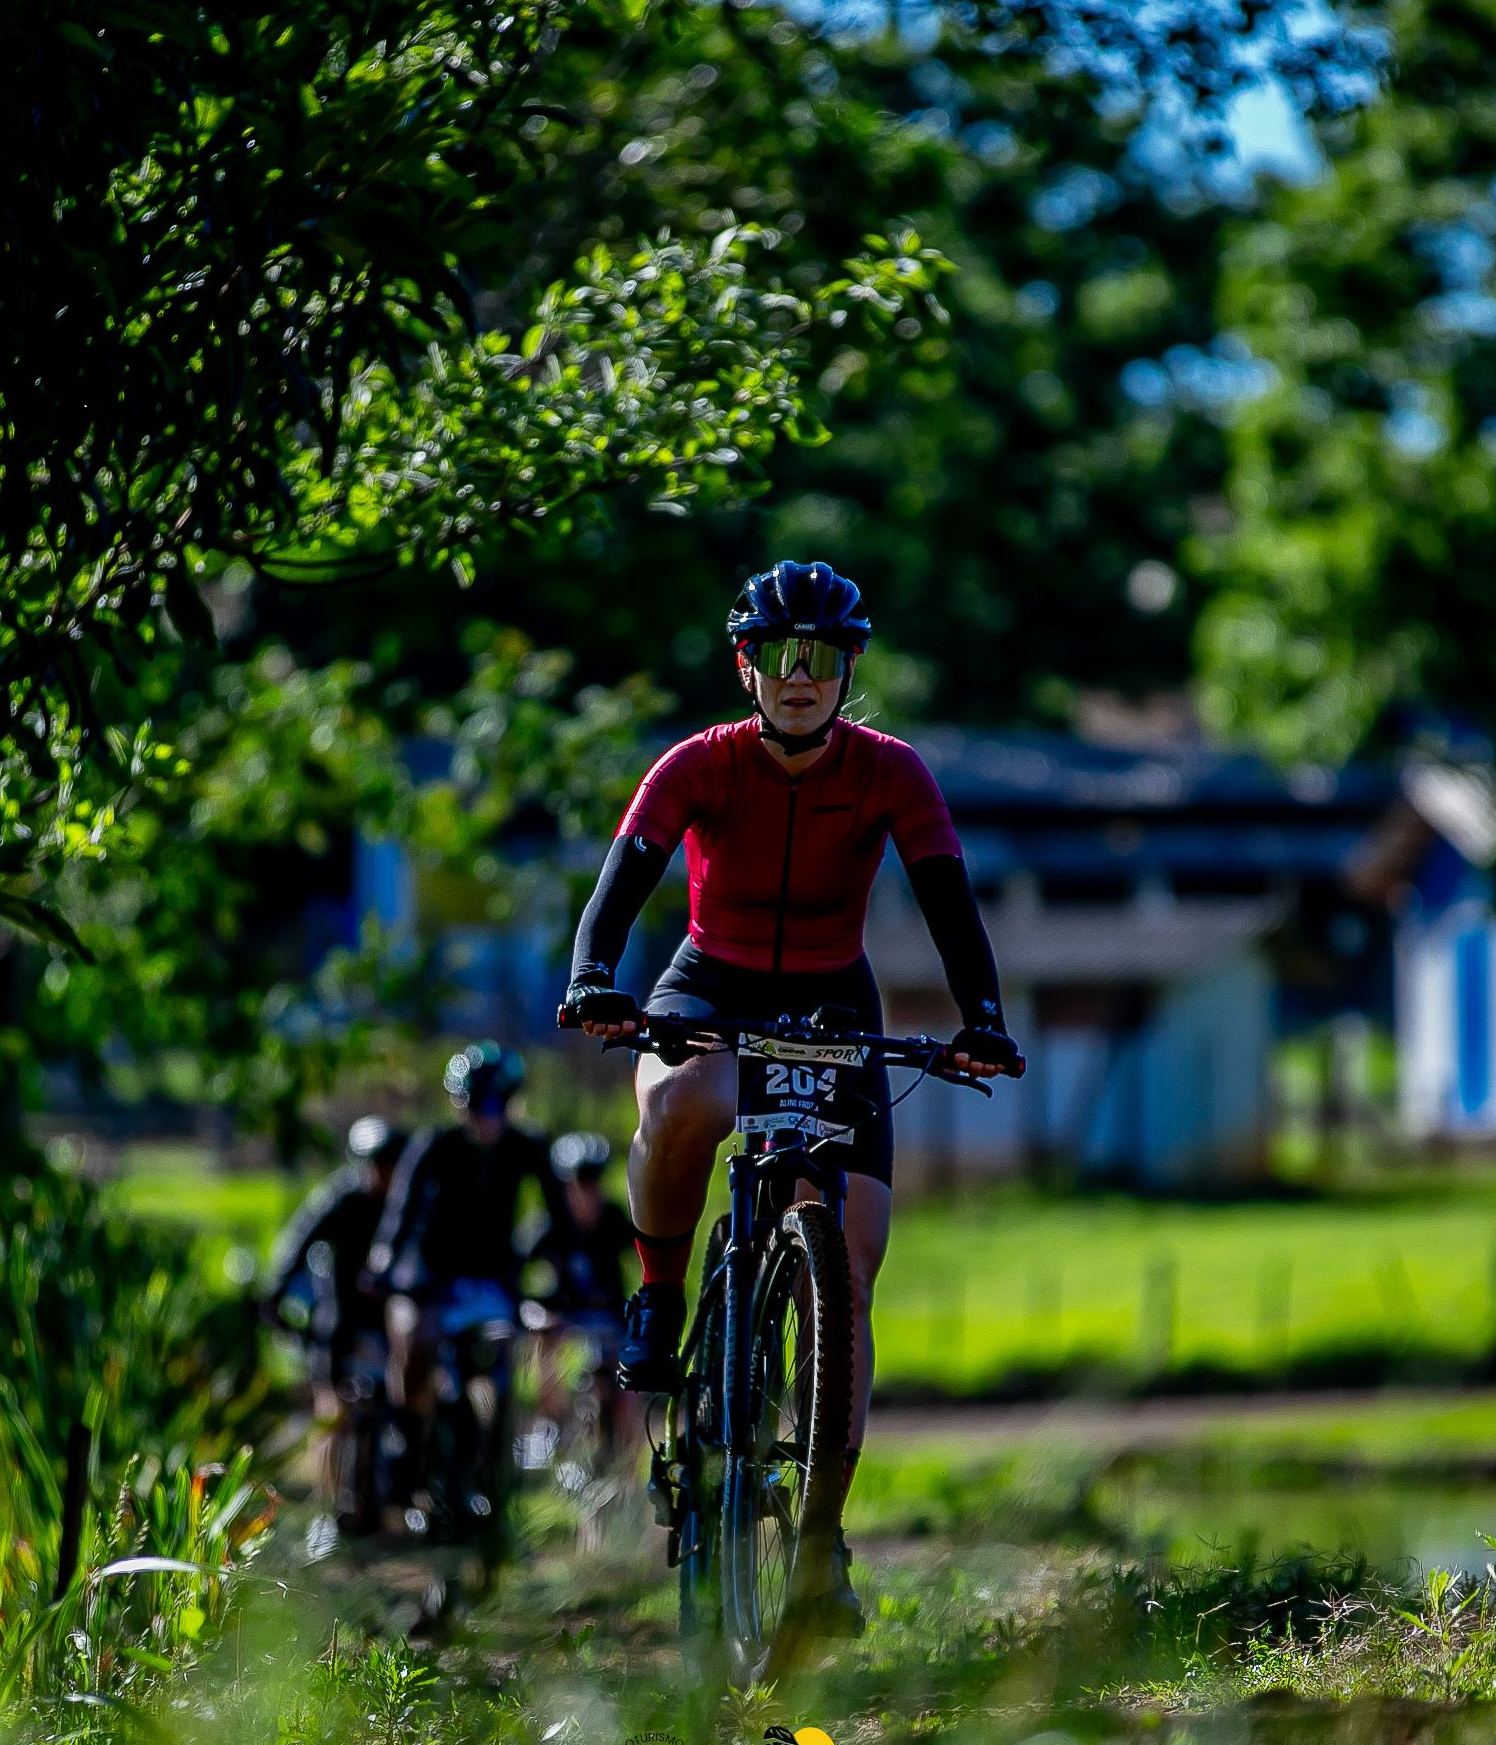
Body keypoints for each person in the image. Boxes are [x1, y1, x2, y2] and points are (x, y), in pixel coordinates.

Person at [555, 559, 1020, 1635]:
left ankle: (819, 1546)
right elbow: (617, 891)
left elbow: (948, 899)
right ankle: (660, 1292)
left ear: (848, 670)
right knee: (684, 1103)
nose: (799, 674)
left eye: (820, 656)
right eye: (778, 654)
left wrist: (984, 1015)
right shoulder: (698, 765)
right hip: (709, 985)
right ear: (747, 667)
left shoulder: (892, 772)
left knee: (849, 1264)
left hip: (832, 999)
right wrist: (591, 979)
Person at [365, 1042, 564, 1506]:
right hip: (431, 1280)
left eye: (498, 1105)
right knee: (416, 1344)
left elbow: (563, 1224)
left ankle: (498, 1468)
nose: (486, 1118)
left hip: (495, 1282)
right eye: (476, 1105)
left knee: (507, 1360)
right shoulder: (434, 1145)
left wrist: (566, 1277)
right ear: (459, 1103)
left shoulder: (530, 1148)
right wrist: (382, 1263)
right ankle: (405, 1444)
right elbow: (398, 1218)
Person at [265, 1116, 406, 1531]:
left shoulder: (409, 1203)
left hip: (390, 1320)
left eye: (389, 1165)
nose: (382, 1175)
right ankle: (328, 1505)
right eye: (376, 1165)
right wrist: (276, 1293)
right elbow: (298, 1244)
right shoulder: (341, 1200)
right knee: (333, 1410)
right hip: (341, 1317)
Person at [524, 1131, 636, 1455]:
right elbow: (517, 1276)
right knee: (544, 1341)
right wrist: (535, 1311)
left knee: (628, 1383)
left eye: (593, 1182)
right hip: (565, 1319)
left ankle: (625, 1458)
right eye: (579, 1183)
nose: (587, 1192)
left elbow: (645, 1264)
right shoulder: (550, 1225)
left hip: (610, 1321)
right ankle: (552, 1424)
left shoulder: (613, 1219)